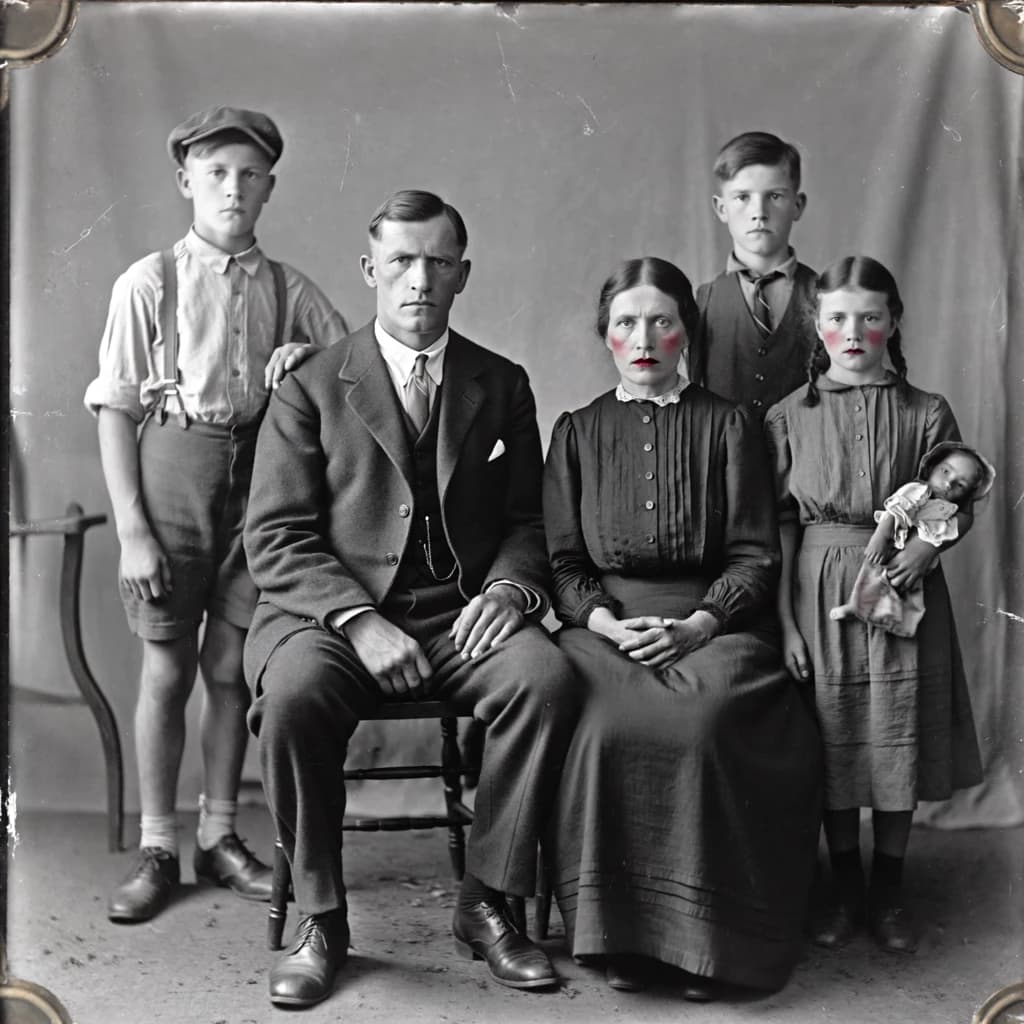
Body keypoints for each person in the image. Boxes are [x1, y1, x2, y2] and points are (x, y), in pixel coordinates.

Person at [243, 190, 579, 1009]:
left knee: (547, 681)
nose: (418, 279)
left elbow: (529, 520)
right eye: (400, 261)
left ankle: (488, 901)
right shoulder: (311, 384)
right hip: (331, 615)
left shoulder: (502, 384)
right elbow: (276, 537)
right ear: (370, 271)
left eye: (437, 262)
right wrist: (357, 621)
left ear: (463, 274)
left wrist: (507, 587)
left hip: (459, 612)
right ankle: (321, 919)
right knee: (291, 697)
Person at [84, 106, 349, 923]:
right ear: (186, 182)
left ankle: (219, 832)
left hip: (257, 493)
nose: (232, 188)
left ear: (269, 186)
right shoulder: (148, 282)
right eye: (216, 173)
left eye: (249, 174)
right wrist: (133, 530)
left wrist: (305, 361)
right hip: (170, 481)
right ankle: (159, 844)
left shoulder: (288, 288)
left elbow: (354, 374)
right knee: (166, 668)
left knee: (229, 670)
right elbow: (115, 409)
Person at [542, 257, 822, 1000]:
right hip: (606, 632)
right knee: (606, 722)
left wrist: (699, 624)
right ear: (605, 336)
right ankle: (619, 937)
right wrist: (605, 624)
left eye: (661, 321)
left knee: (704, 719)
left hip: (716, 622)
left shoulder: (728, 424)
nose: (644, 338)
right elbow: (564, 565)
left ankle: (711, 944)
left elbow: (756, 555)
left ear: (685, 334)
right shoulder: (575, 432)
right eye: (626, 323)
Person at [765, 256, 984, 955]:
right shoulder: (787, 415)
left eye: (869, 317)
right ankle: (843, 883)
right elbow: (779, 525)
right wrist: (788, 621)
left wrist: (928, 551)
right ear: (817, 325)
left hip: (906, 590)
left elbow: (957, 501)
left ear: (893, 322)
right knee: (834, 735)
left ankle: (889, 886)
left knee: (895, 732)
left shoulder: (927, 411)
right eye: (836, 318)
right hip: (820, 583)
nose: (852, 331)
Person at [688, 131, 818, 419]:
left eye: (774, 196)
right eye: (742, 197)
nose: (759, 212)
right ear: (721, 208)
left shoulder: (824, 296)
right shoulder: (702, 301)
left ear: (797, 205)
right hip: (724, 461)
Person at [830, 441, 995, 636]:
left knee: (905, 588)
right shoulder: (918, 491)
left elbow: (957, 524)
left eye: (960, 485)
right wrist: (881, 535)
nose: (949, 483)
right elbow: (896, 509)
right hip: (894, 539)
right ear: (932, 466)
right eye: (945, 471)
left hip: (917, 554)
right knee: (876, 573)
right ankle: (856, 605)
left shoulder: (948, 508)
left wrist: (925, 549)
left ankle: (893, 621)